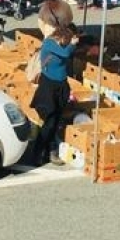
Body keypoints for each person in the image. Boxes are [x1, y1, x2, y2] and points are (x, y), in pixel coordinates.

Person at [29, 25, 78, 166]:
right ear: (61, 37)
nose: (67, 43)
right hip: (48, 87)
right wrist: (72, 45)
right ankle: (38, 153)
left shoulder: (64, 45)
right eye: (66, 40)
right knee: (49, 123)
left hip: (61, 86)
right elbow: (65, 54)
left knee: (56, 121)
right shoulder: (49, 43)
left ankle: (50, 151)